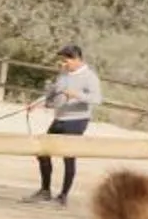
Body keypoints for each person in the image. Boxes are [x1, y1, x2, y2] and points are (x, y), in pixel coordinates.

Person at [28, 44, 99, 205]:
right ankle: (45, 190)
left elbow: (97, 99)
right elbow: (53, 92)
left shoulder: (89, 77)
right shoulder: (64, 74)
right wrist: (36, 103)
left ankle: (63, 196)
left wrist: (76, 95)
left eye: (66, 60)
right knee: (43, 151)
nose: (63, 63)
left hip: (77, 120)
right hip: (59, 118)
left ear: (76, 59)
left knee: (68, 156)